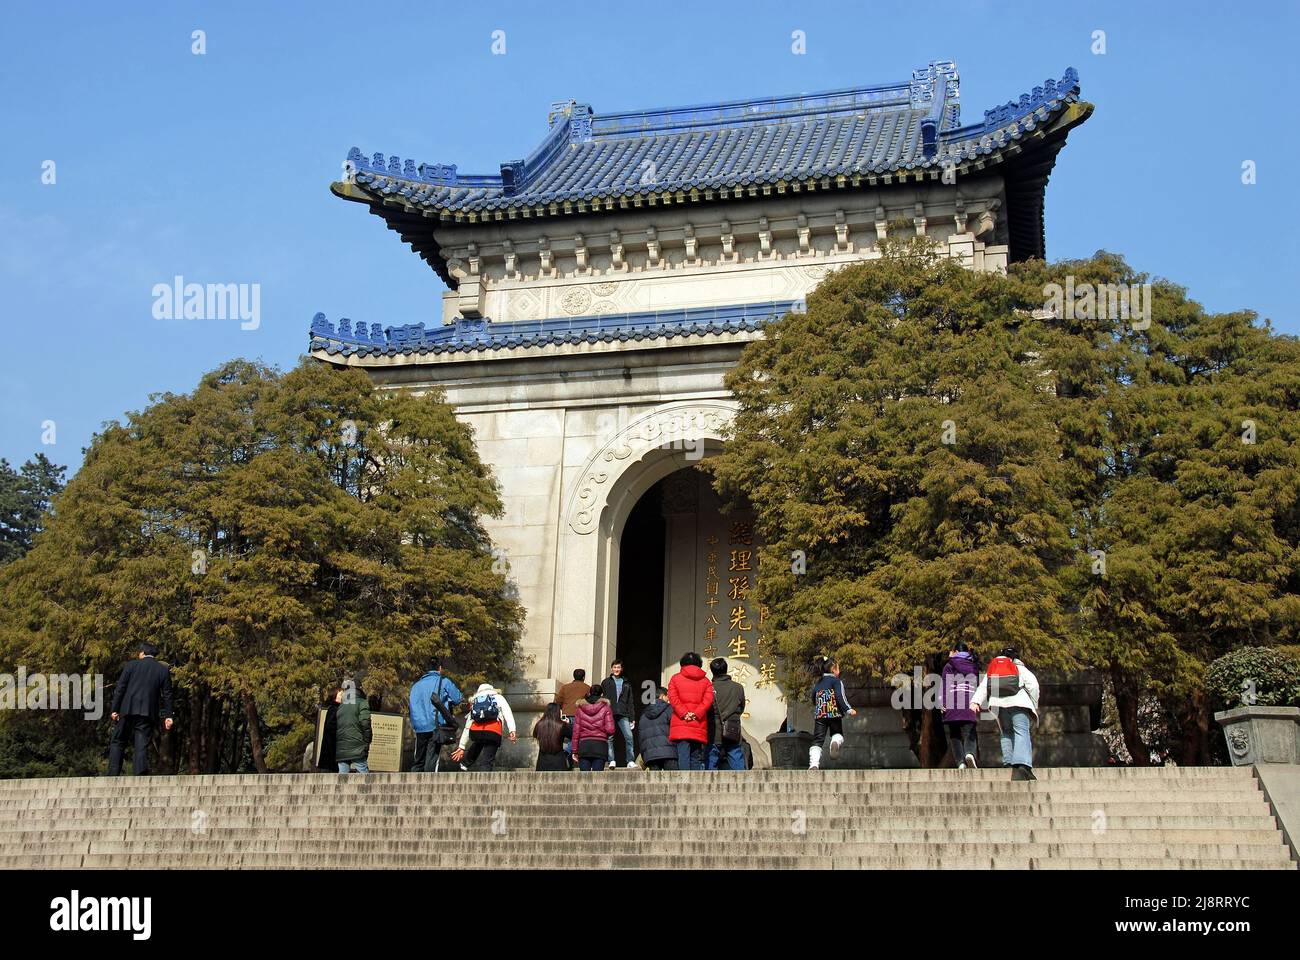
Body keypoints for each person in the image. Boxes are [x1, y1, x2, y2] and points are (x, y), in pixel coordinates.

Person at [969, 645, 1040, 780]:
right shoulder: (1020, 668)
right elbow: (1034, 686)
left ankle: (1008, 761)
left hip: (998, 705)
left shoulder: (994, 668)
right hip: (1019, 703)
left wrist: (976, 702)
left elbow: (984, 686)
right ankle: (1022, 764)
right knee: (1021, 731)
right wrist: (1034, 703)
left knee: (1006, 732)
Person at [107, 641, 174, 776]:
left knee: (119, 740)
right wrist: (168, 716)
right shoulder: (163, 669)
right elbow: (167, 694)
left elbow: (120, 688)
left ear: (142, 653)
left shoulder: (131, 665)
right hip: (147, 711)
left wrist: (115, 709)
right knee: (141, 741)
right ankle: (139, 773)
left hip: (127, 709)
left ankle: (113, 773)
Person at [409, 657, 463, 772]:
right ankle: (428, 786)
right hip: (435, 725)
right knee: (432, 759)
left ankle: (414, 783)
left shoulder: (416, 686)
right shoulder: (444, 682)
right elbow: (458, 698)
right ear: (439, 668)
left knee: (419, 760)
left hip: (419, 727)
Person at [452, 683, 517, 771]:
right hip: (493, 730)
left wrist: (462, 746)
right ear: (492, 689)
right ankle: (484, 774)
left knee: (479, 742)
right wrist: (512, 730)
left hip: (476, 731)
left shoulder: (475, 700)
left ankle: (465, 764)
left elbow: (468, 725)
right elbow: (507, 713)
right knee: (487, 760)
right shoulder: (498, 697)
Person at [667, 651, 713, 771]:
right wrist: (695, 714)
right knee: (695, 756)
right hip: (698, 723)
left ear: (682, 664)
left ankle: (683, 784)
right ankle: (695, 785)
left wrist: (684, 713)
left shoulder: (675, 679)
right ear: (699, 664)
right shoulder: (706, 681)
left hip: (681, 722)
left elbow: (673, 697)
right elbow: (708, 700)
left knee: (683, 755)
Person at [809, 656, 856, 770]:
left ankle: (814, 764)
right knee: (837, 733)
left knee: (818, 740)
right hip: (834, 713)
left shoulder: (818, 683)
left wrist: (819, 707)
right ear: (834, 669)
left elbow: (813, 697)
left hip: (820, 714)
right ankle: (834, 743)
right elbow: (840, 697)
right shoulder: (836, 681)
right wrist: (848, 709)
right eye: (838, 668)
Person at [940, 642, 980, 770]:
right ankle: (969, 753)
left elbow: (945, 685)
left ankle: (960, 762)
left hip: (953, 704)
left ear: (955, 651)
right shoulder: (974, 665)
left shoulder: (949, 665)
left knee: (955, 735)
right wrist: (977, 702)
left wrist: (942, 702)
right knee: (970, 732)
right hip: (969, 703)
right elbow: (976, 686)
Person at [706, 657, 746, 770]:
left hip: (713, 730)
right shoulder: (738, 687)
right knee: (736, 758)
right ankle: (742, 785)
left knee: (711, 759)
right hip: (732, 729)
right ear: (726, 669)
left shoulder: (709, 688)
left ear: (712, 671)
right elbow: (742, 707)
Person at [571, 684, 615, 771]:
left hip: (584, 745)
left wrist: (574, 750)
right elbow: (610, 730)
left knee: (584, 778)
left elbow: (576, 732)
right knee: (597, 779)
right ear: (602, 694)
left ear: (589, 693)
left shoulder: (580, 709)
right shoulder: (606, 708)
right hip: (600, 745)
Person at [602, 660, 637, 769]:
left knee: (629, 737)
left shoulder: (626, 682)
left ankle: (630, 760)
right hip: (609, 713)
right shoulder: (606, 682)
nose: (616, 669)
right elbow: (602, 699)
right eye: (615, 667)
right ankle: (611, 760)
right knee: (609, 738)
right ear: (611, 669)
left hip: (623, 713)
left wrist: (632, 717)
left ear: (621, 669)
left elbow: (630, 701)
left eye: (619, 667)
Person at [334, 681, 372, 774]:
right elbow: (365, 723)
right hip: (357, 745)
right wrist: (367, 740)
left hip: (342, 747)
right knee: (364, 775)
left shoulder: (341, 706)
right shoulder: (362, 702)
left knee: (343, 776)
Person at [638, 686, 676, 770]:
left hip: (650, 755)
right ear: (662, 696)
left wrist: (644, 755)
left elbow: (641, 737)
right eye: (667, 698)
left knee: (654, 781)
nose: (668, 700)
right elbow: (676, 728)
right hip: (669, 752)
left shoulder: (644, 714)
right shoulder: (669, 709)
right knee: (672, 781)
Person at [555, 668, 591, 753]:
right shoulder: (587, 688)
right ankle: (567, 752)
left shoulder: (565, 687)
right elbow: (590, 702)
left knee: (566, 737)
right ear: (583, 677)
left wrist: (563, 708)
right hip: (579, 715)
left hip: (566, 715)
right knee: (577, 736)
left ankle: (566, 756)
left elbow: (558, 701)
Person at [533, 703, 571, 771]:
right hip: (559, 762)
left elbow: (535, 735)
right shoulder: (562, 725)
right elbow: (572, 735)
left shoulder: (539, 724)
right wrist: (568, 725)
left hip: (542, 763)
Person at [315, 686, 340, 773]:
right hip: (331, 750)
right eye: (340, 693)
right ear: (335, 696)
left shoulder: (334, 708)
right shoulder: (334, 709)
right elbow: (330, 727)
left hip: (331, 751)